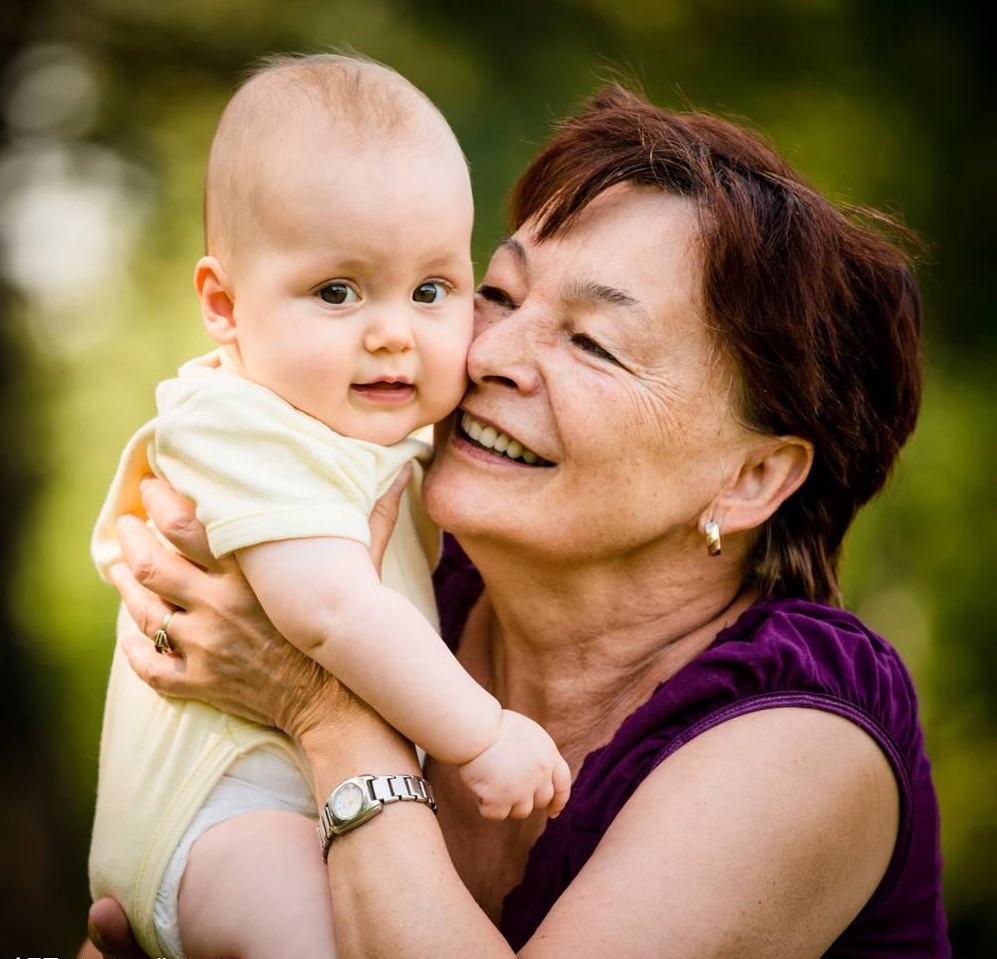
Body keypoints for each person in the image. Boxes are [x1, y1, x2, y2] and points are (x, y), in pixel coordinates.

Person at [83, 80, 950, 958]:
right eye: (494, 293)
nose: (486, 353)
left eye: (590, 343)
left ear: (751, 478)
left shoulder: (806, 735)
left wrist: (329, 713)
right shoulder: (414, 572)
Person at [86, 52, 569, 959]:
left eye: (431, 290)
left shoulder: (368, 431)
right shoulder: (243, 426)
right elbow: (329, 609)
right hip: (222, 822)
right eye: (337, 292)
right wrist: (483, 734)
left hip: (288, 809)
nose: (392, 331)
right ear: (224, 306)